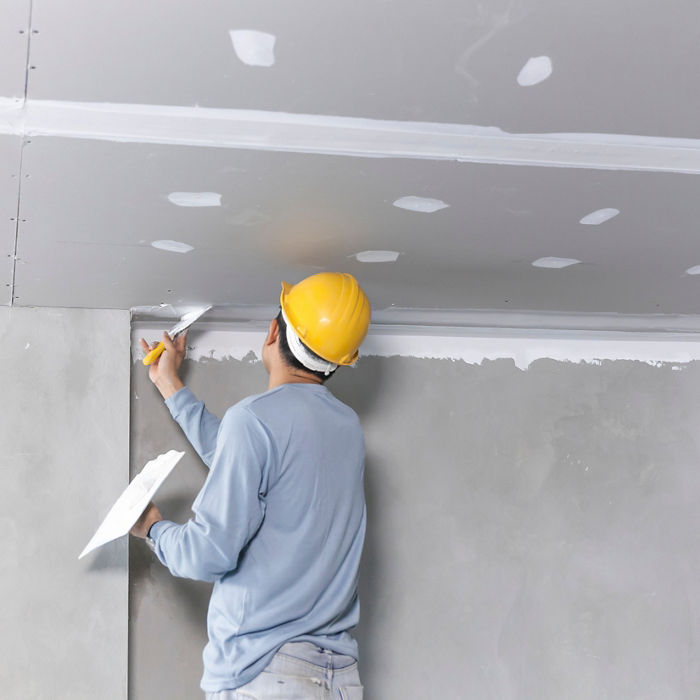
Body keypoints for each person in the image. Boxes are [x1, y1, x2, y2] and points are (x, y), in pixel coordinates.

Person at [131, 272, 371, 700]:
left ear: (273, 330)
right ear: (339, 360)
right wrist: (169, 384)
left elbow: (206, 556)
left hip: (266, 673)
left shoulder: (255, 421)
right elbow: (247, 462)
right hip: (339, 680)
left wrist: (152, 528)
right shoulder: (347, 428)